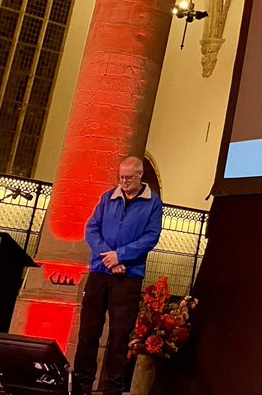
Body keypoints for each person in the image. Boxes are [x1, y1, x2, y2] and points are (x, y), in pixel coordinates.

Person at [75, 156, 163, 395]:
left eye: (128, 177)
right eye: (120, 177)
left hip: (129, 278)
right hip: (100, 273)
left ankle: (111, 388)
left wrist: (121, 256)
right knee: (88, 332)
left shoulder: (153, 204)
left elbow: (151, 237)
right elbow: (91, 229)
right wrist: (109, 257)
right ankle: (81, 385)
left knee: (118, 336)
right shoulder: (107, 198)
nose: (123, 181)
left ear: (139, 175)